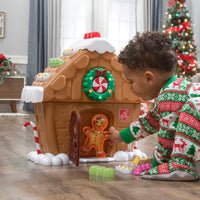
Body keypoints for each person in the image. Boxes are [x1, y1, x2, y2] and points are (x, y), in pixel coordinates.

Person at [109, 31, 200, 181]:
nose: (131, 87)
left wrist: (157, 162)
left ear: (149, 78)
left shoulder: (169, 95)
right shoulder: (173, 92)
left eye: (131, 82)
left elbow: (167, 138)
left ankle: (182, 167)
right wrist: (120, 136)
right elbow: (148, 123)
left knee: (195, 106)